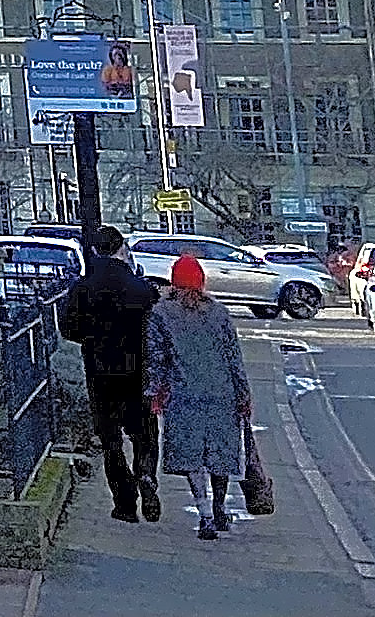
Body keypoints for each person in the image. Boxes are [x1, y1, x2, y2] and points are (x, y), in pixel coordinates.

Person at [149, 250, 257, 539]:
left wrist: (152, 391)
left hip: (184, 394)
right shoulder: (219, 313)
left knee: (192, 457)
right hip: (222, 393)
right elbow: (234, 357)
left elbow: (157, 357)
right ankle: (220, 507)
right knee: (219, 455)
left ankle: (205, 514)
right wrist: (243, 393)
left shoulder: (161, 314)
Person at [56, 226, 160, 521]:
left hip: (100, 372)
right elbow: (156, 332)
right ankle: (146, 473)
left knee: (110, 440)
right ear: (121, 248)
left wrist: (94, 339)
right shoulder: (142, 289)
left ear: (96, 250)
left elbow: (68, 329)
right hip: (137, 372)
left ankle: (125, 503)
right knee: (144, 434)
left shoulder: (82, 287)